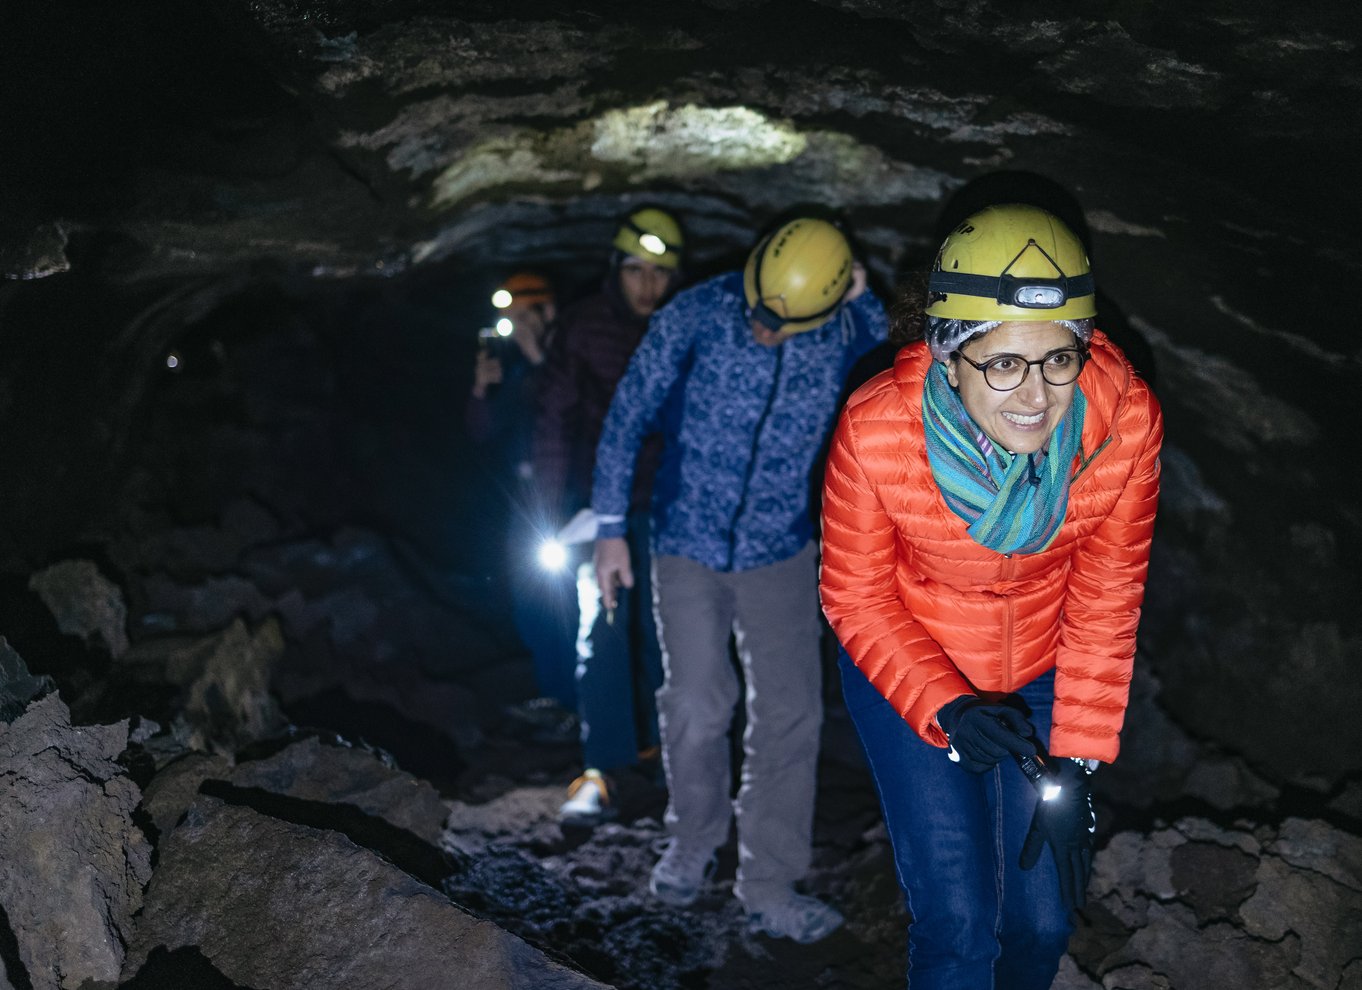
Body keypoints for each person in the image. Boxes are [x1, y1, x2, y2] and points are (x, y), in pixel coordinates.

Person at [819, 203, 1162, 987]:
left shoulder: (1126, 424)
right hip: (912, 664)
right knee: (960, 926)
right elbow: (856, 595)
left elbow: (1107, 599)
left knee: (1041, 922)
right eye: (1003, 363)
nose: (1037, 396)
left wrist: (1077, 758)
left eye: (1058, 360)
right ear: (948, 353)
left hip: (1041, 672)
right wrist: (949, 709)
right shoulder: (877, 429)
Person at [592, 216, 888, 942]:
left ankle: (769, 882)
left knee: (790, 713)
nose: (762, 331)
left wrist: (868, 302)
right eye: (756, 314)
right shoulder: (694, 312)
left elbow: (895, 363)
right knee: (696, 702)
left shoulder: (846, 328)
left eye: (781, 326)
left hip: (781, 549)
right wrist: (607, 531)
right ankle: (692, 844)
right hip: (686, 542)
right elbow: (627, 414)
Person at [532, 206, 685, 824]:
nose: (647, 285)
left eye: (660, 272)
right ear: (615, 270)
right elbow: (553, 421)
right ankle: (605, 763)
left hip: (673, 510)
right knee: (602, 630)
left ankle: (663, 757)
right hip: (602, 511)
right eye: (635, 270)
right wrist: (551, 507)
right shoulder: (584, 327)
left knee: (668, 635)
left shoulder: (685, 325)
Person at [465, 272, 579, 720]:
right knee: (533, 605)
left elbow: (575, 408)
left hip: (569, 501)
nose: (515, 327)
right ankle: (554, 697)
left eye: (522, 317)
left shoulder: (570, 358)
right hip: (526, 504)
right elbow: (481, 432)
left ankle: (581, 702)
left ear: (547, 312)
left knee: (569, 605)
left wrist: (539, 357)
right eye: (508, 320)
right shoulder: (512, 372)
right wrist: (480, 389)